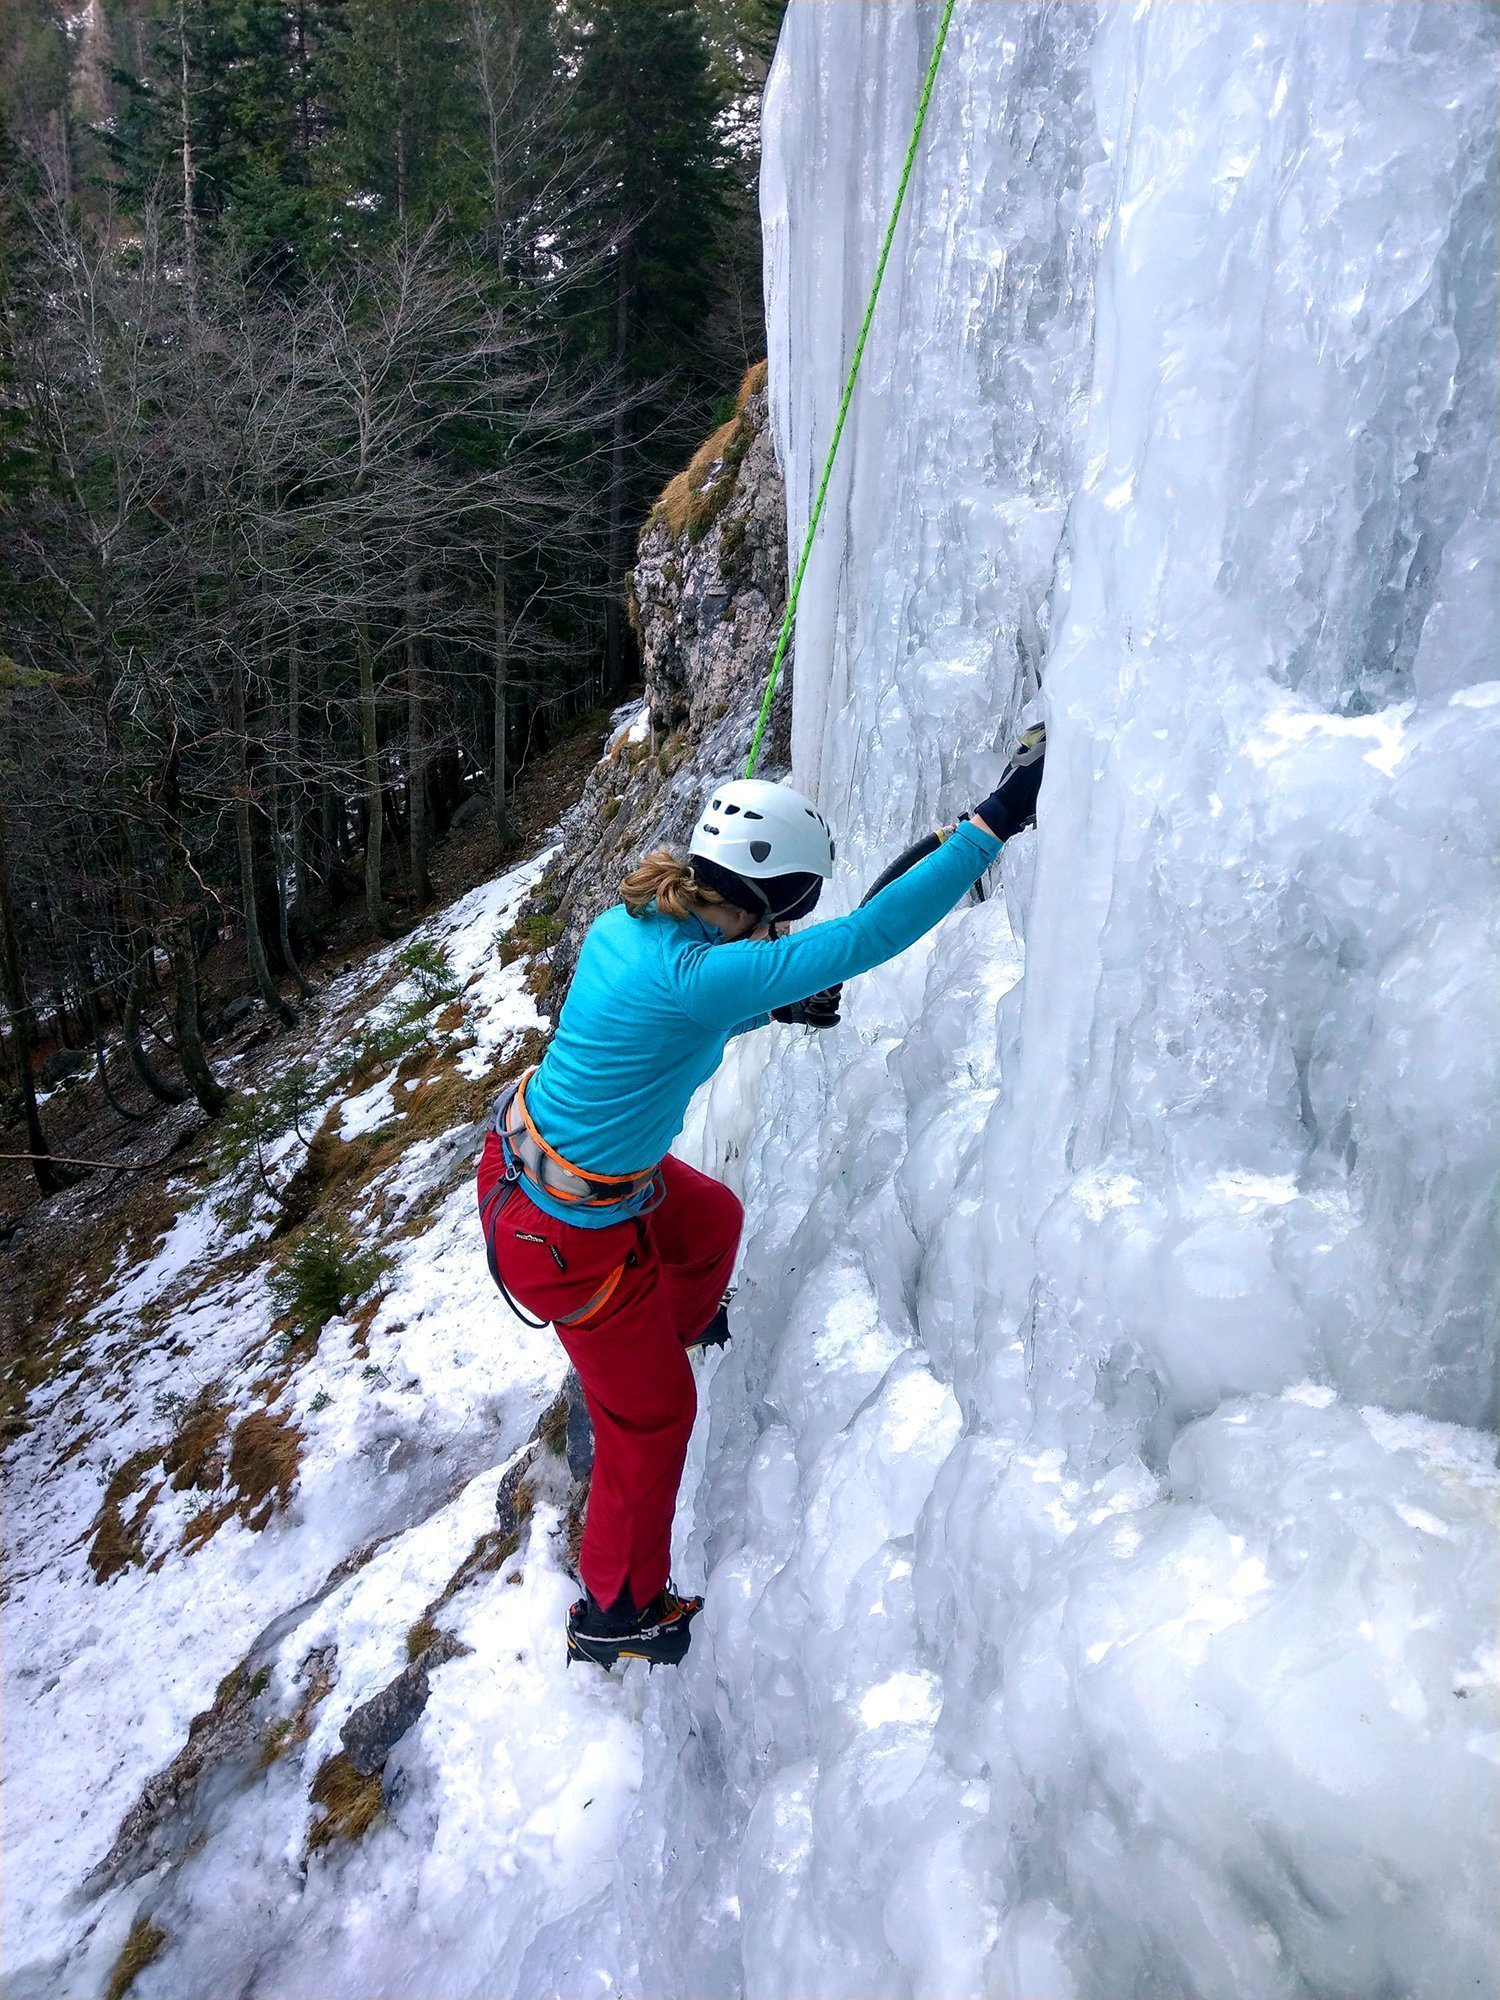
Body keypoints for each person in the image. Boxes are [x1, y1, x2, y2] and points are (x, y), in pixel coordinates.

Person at [476, 728, 1046, 1670]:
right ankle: (618, 1609)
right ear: (777, 897)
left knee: (711, 1221)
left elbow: (672, 1016)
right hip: (567, 1237)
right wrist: (993, 825)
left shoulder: (635, 921)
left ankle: (679, 1333)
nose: (791, 928)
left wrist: (772, 1003)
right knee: (650, 1423)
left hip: (535, 1172)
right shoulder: (705, 969)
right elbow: (865, 939)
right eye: (791, 912)